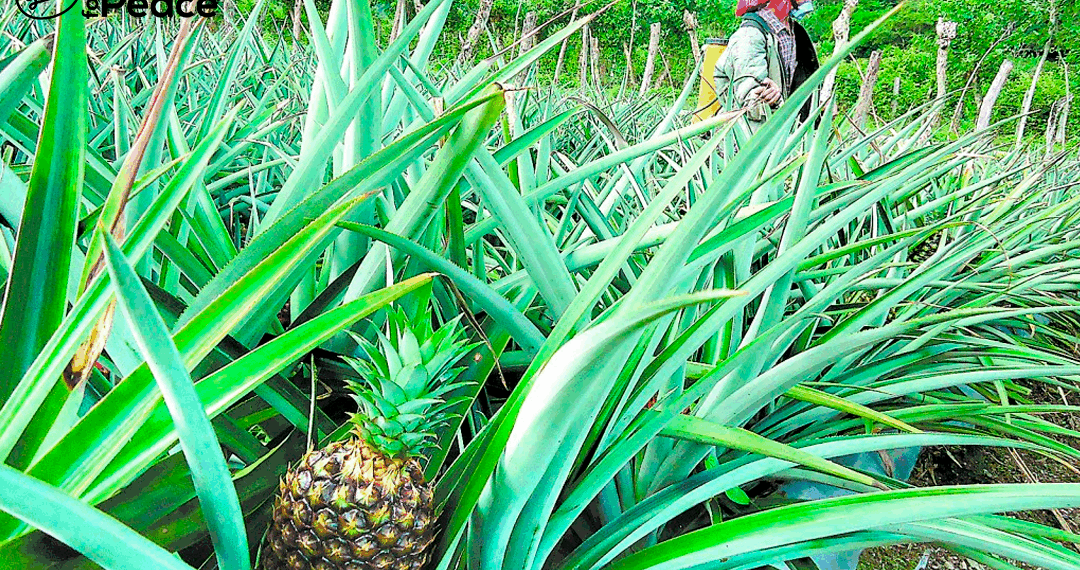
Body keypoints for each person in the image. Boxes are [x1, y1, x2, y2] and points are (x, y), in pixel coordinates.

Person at [712, 0, 820, 131]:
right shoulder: (750, 36)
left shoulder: (792, 31)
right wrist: (770, 97)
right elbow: (751, 103)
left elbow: (800, 79)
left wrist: (820, 102)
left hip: (782, 132)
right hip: (752, 138)